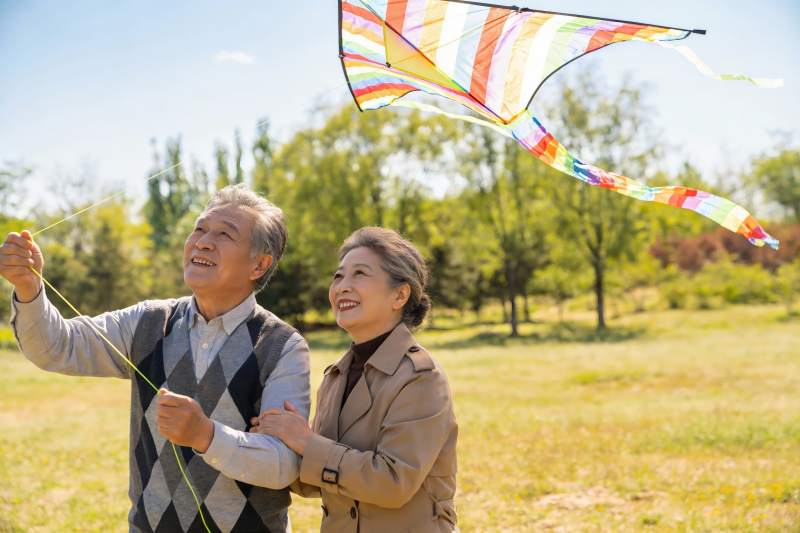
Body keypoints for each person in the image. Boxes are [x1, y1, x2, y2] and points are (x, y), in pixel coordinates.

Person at [2, 185, 310, 532]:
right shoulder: (147, 322)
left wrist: (206, 435)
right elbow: (57, 346)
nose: (203, 241)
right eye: (199, 229)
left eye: (225, 234)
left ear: (260, 264)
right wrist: (29, 288)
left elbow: (284, 463)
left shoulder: (283, 346)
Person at [251, 227, 458, 532]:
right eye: (338, 276)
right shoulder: (336, 376)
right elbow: (321, 480)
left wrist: (306, 442)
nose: (342, 287)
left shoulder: (421, 379)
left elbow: (392, 483)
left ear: (400, 295)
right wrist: (277, 441)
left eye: (360, 274)